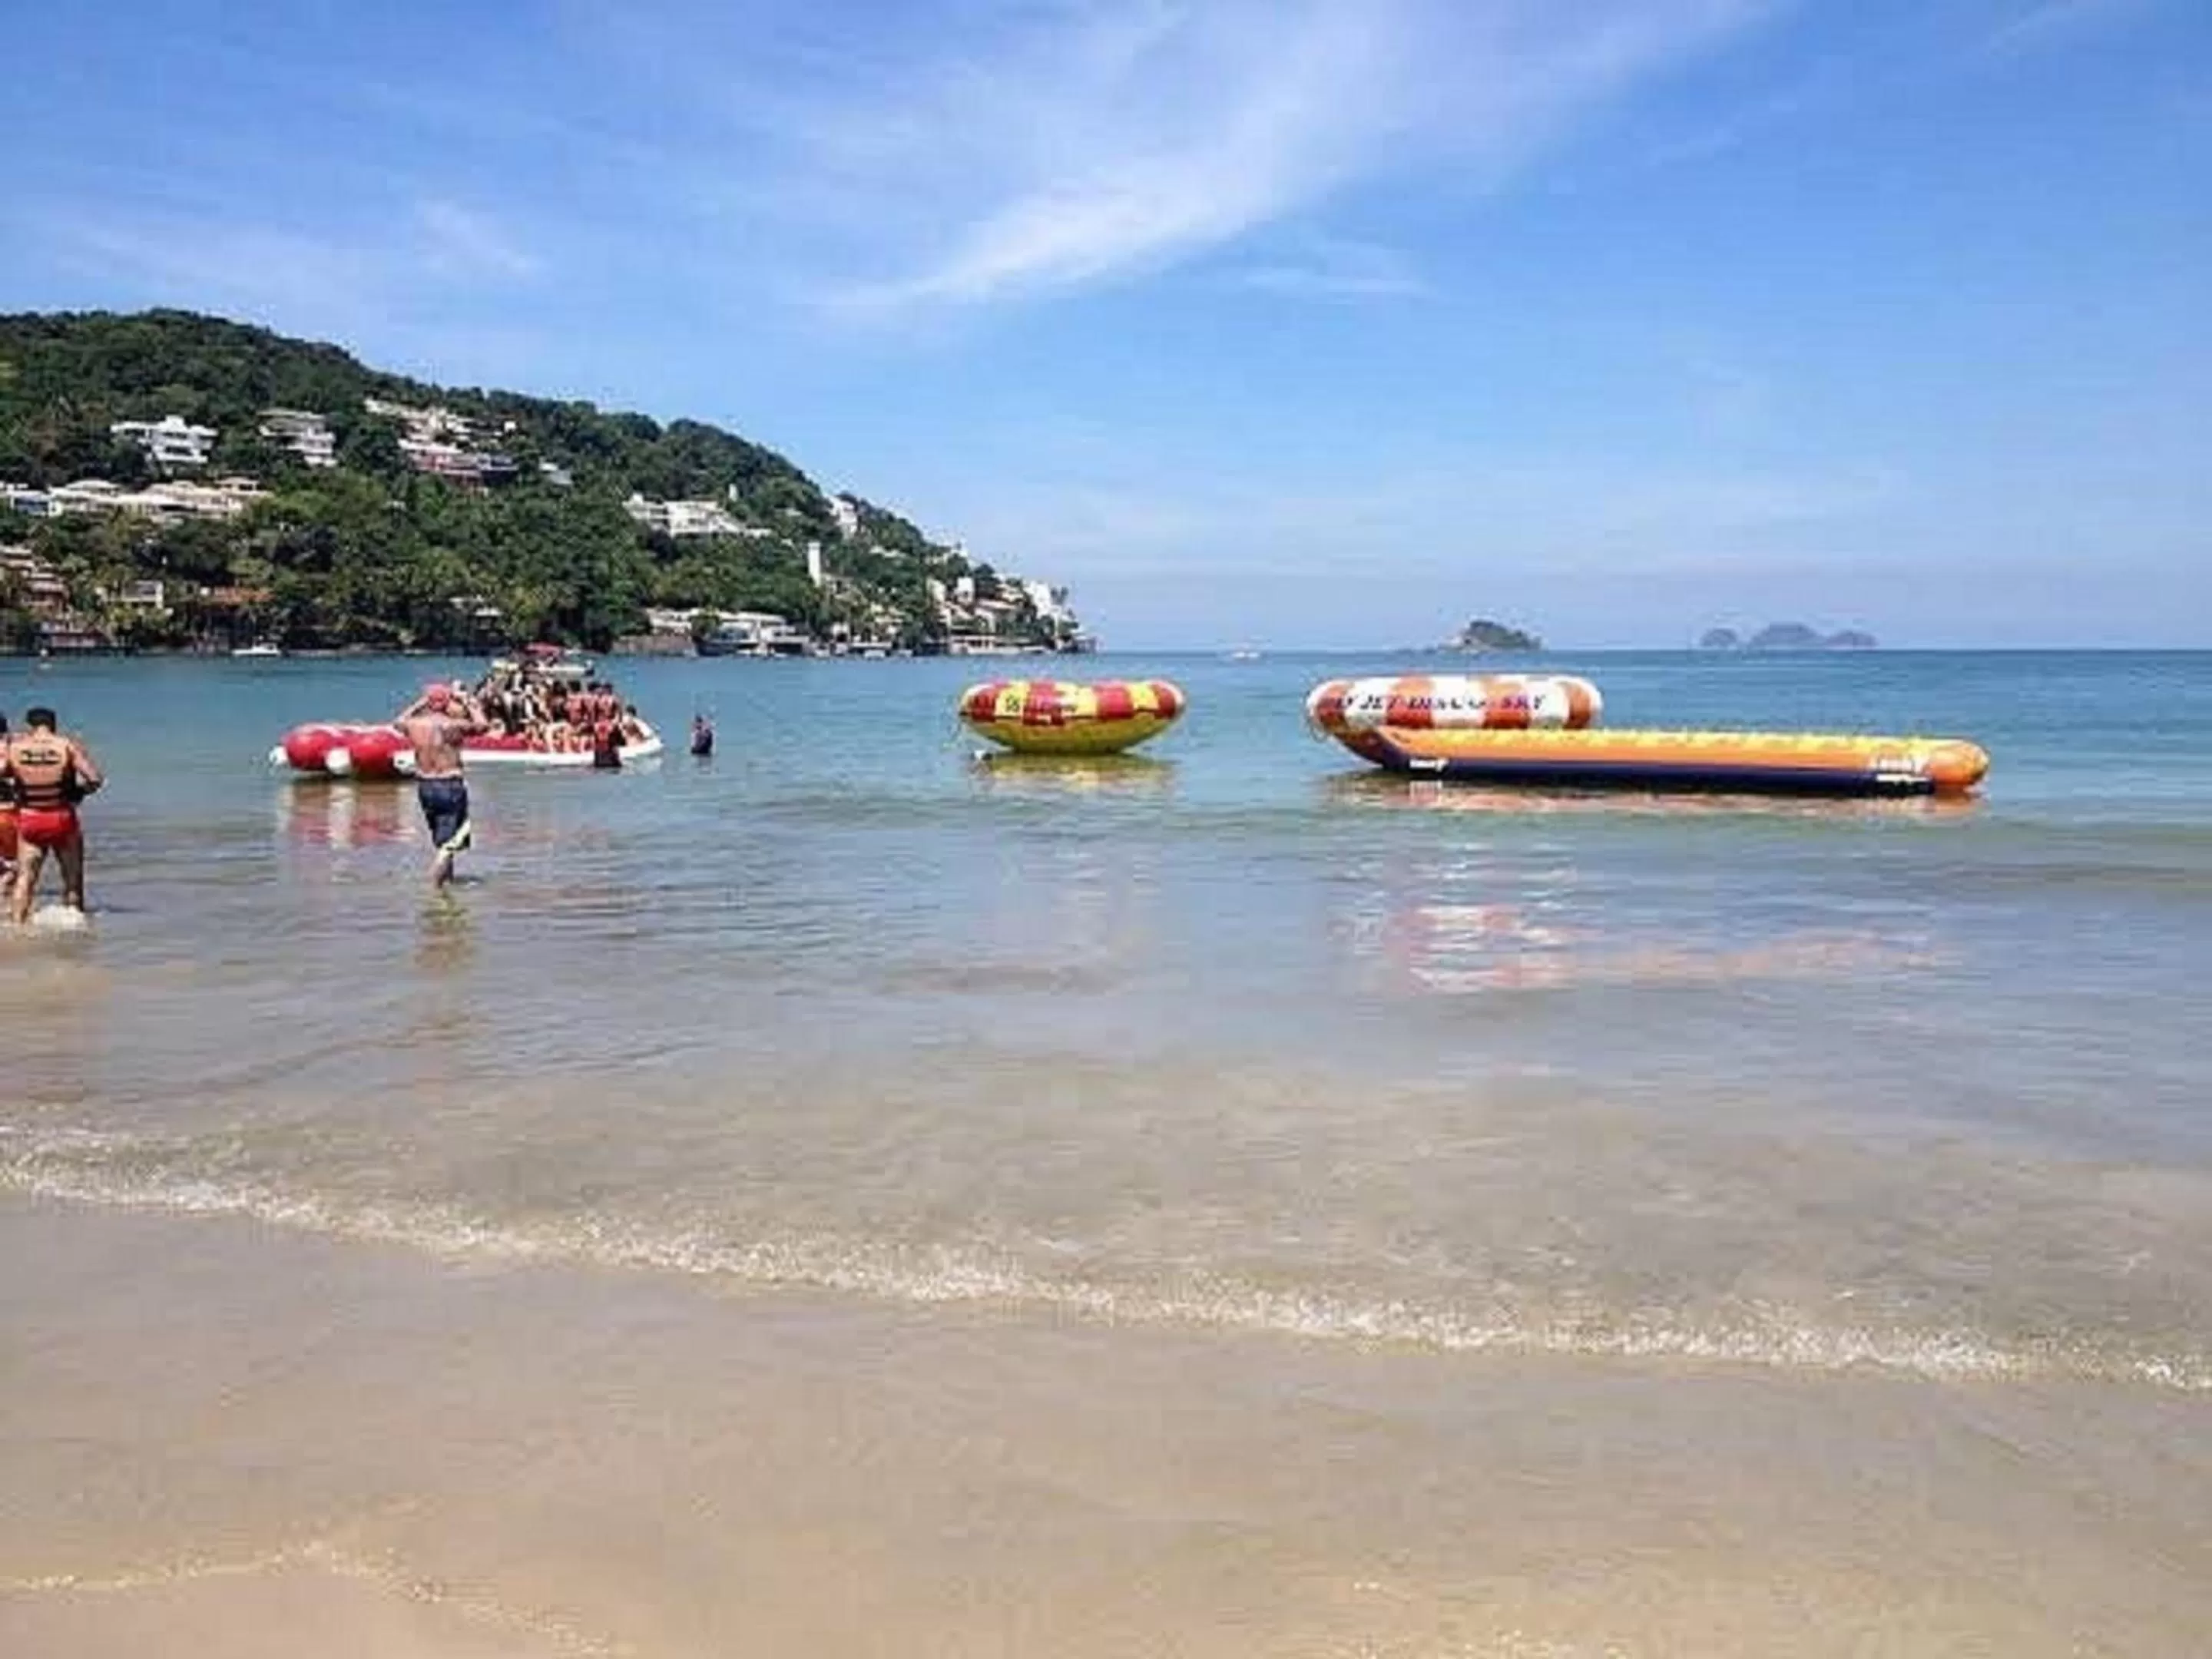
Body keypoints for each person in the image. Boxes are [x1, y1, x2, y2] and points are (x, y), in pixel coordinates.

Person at [2, 705, 104, 923]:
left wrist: (17, 787)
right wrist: (78, 793)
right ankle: (76, 928)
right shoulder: (66, 745)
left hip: (30, 819)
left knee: (25, 878)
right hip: (62, 818)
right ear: (53, 725)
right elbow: (95, 779)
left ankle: (18, 928)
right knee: (73, 880)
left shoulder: (15, 748)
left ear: (29, 726)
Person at [396, 683, 485, 887]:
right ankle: (436, 887)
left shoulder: (414, 724)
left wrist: (419, 703)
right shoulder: (453, 725)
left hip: (425, 786)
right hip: (449, 784)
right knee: (450, 843)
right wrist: (469, 704)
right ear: (447, 703)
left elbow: (398, 722)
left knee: (443, 839)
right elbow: (483, 725)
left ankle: (449, 882)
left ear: (428, 703)